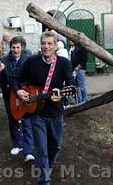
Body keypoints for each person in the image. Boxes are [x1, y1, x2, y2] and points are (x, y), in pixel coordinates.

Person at [16, 31, 74, 185]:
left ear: (55, 46)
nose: (46, 46)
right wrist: (18, 91)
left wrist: (61, 94)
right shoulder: (31, 61)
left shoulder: (64, 63)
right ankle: (44, 180)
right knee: (41, 148)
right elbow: (17, 78)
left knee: (56, 145)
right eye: (43, 43)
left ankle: (47, 166)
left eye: (49, 43)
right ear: (40, 45)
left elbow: (71, 85)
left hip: (55, 112)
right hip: (36, 113)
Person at [0, 36, 34, 163]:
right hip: (9, 95)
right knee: (13, 119)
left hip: (25, 94)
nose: (15, 50)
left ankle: (28, 151)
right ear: (10, 47)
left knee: (26, 121)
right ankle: (17, 144)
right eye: (13, 47)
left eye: (18, 47)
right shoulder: (4, 60)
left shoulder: (29, 60)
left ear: (22, 47)